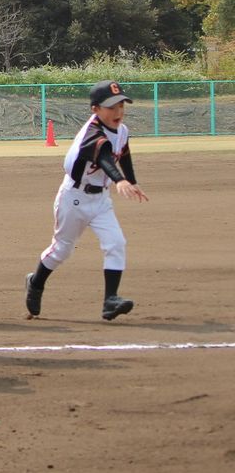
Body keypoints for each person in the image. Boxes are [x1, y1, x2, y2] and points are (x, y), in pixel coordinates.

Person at [25, 81, 147, 321]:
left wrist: (131, 180)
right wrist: (119, 180)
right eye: (111, 107)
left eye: (121, 104)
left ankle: (110, 300)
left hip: (101, 199)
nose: (118, 112)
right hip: (74, 198)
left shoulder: (121, 130)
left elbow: (124, 153)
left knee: (116, 243)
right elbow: (104, 158)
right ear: (95, 109)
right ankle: (36, 283)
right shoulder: (92, 133)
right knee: (61, 250)